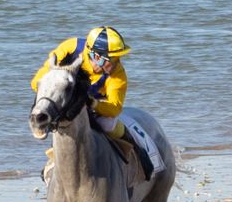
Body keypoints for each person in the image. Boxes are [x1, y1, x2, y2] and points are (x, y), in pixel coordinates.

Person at [31, 26, 162, 177]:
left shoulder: (118, 74)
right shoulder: (70, 47)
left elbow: (114, 108)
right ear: (97, 56)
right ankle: (52, 162)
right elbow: (37, 82)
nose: (118, 62)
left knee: (109, 124)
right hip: (66, 107)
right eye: (114, 58)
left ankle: (139, 153)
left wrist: (92, 103)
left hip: (95, 108)